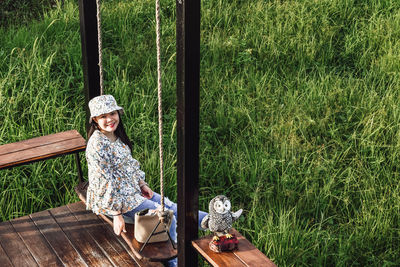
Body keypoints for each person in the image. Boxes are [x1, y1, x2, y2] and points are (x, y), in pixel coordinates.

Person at [85, 95, 207, 267]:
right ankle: (175, 262)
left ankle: (208, 220)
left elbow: (129, 165)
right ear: (95, 121)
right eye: (103, 116)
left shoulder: (116, 136)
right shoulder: (97, 144)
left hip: (131, 190)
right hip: (117, 200)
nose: (109, 119)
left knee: (168, 205)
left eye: (112, 113)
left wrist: (142, 184)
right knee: (164, 216)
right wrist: (116, 214)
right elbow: (103, 181)